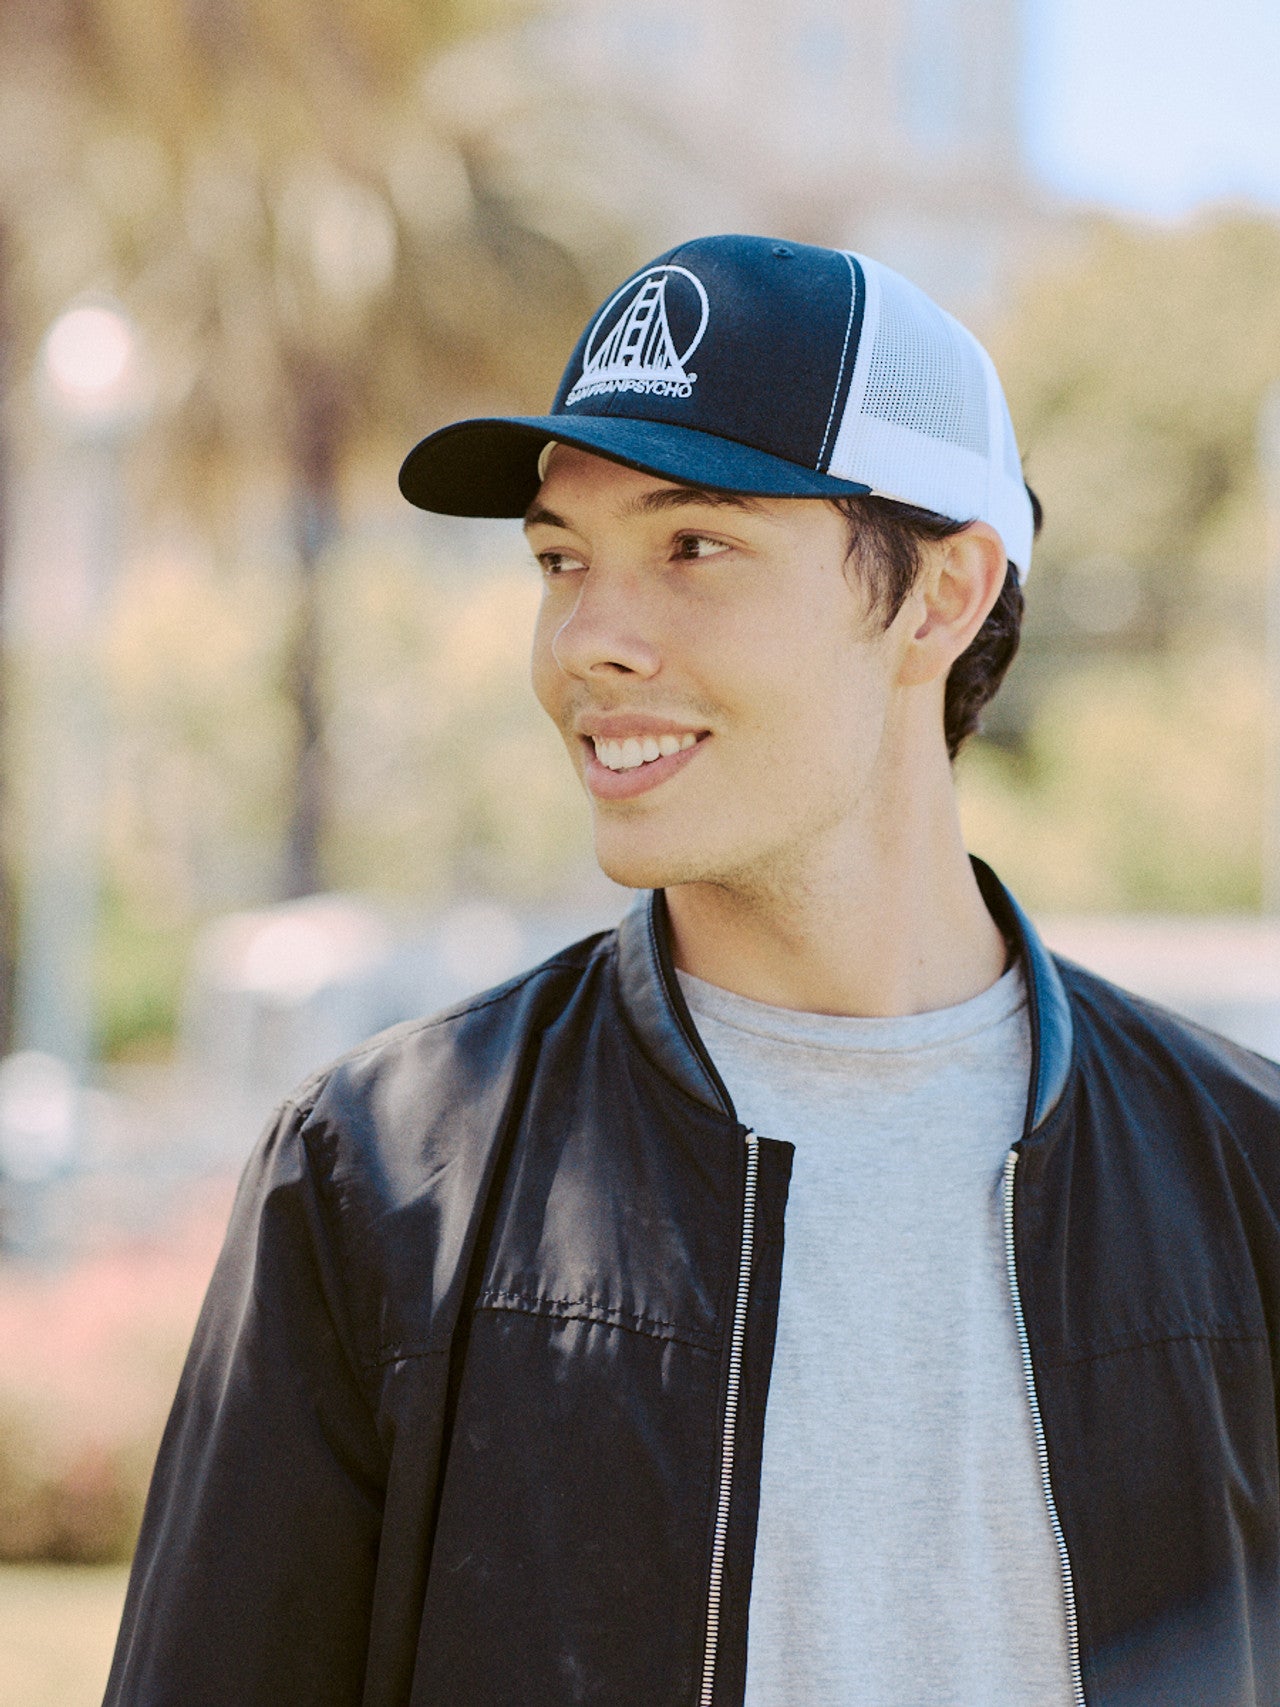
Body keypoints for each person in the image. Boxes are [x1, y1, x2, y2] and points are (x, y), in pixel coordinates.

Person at [104, 236, 1280, 1707]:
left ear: (942, 597)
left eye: (694, 547)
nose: (586, 642)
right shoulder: (376, 1178)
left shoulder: (1248, 1176)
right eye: (560, 560)